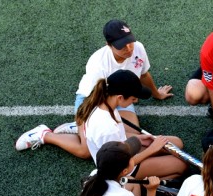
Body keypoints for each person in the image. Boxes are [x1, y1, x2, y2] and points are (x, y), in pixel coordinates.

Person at [15, 19, 174, 159]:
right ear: (109, 45)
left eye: (130, 41)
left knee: (132, 136)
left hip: (120, 99)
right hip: (93, 101)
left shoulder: (138, 48)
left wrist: (157, 94)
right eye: (122, 46)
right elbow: (93, 100)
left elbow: (144, 74)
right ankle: (46, 135)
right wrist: (91, 122)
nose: (129, 48)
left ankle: (80, 131)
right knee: (86, 151)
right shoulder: (98, 64)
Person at [17, 70, 188, 180]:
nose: (134, 101)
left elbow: (120, 140)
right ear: (120, 97)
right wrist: (150, 150)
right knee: (181, 165)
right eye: (133, 99)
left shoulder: (105, 103)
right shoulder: (106, 127)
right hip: (119, 168)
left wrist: (138, 139)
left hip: (118, 147)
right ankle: (151, 191)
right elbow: (122, 164)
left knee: (176, 143)